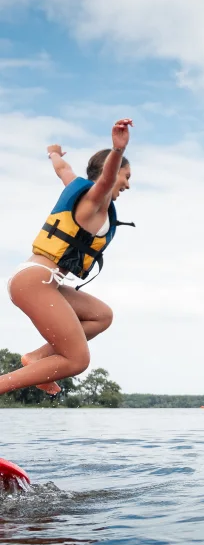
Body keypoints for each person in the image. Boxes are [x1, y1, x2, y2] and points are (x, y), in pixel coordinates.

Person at [1, 119, 134, 398]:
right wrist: (117, 150)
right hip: (35, 280)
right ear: (113, 172)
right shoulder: (97, 199)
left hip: (40, 279)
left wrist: (54, 154)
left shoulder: (77, 187)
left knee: (101, 316)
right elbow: (107, 180)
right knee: (77, 360)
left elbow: (63, 169)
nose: (127, 185)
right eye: (127, 177)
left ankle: (36, 358)